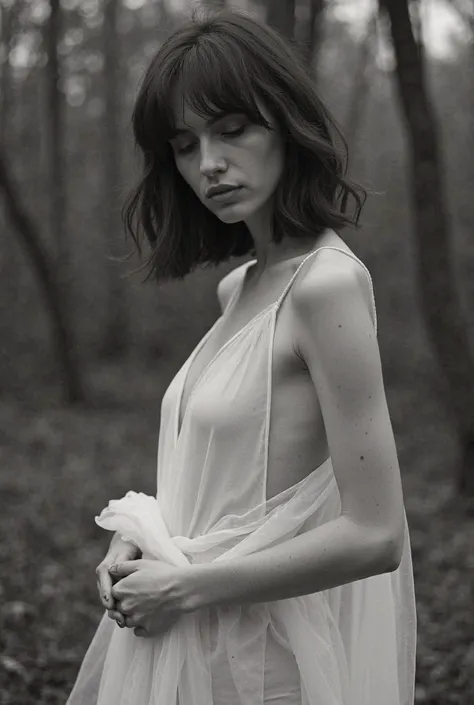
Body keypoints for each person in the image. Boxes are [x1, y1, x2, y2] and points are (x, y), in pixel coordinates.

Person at [66, 7, 416, 705]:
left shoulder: (328, 286)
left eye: (232, 130)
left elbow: (377, 535)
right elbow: (227, 488)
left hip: (267, 667)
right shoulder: (241, 286)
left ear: (285, 120)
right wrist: (140, 543)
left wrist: (185, 585)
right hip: (188, 646)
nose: (209, 164)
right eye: (186, 145)